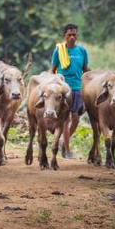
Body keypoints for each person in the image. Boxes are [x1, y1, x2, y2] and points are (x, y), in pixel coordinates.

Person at [50, 23, 90, 159]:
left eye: (74, 35)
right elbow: (52, 70)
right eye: (69, 35)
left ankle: (62, 141)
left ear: (77, 36)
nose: (72, 37)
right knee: (65, 121)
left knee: (76, 119)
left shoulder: (82, 51)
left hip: (78, 89)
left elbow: (86, 70)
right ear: (65, 36)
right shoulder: (59, 51)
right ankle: (67, 151)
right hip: (63, 90)